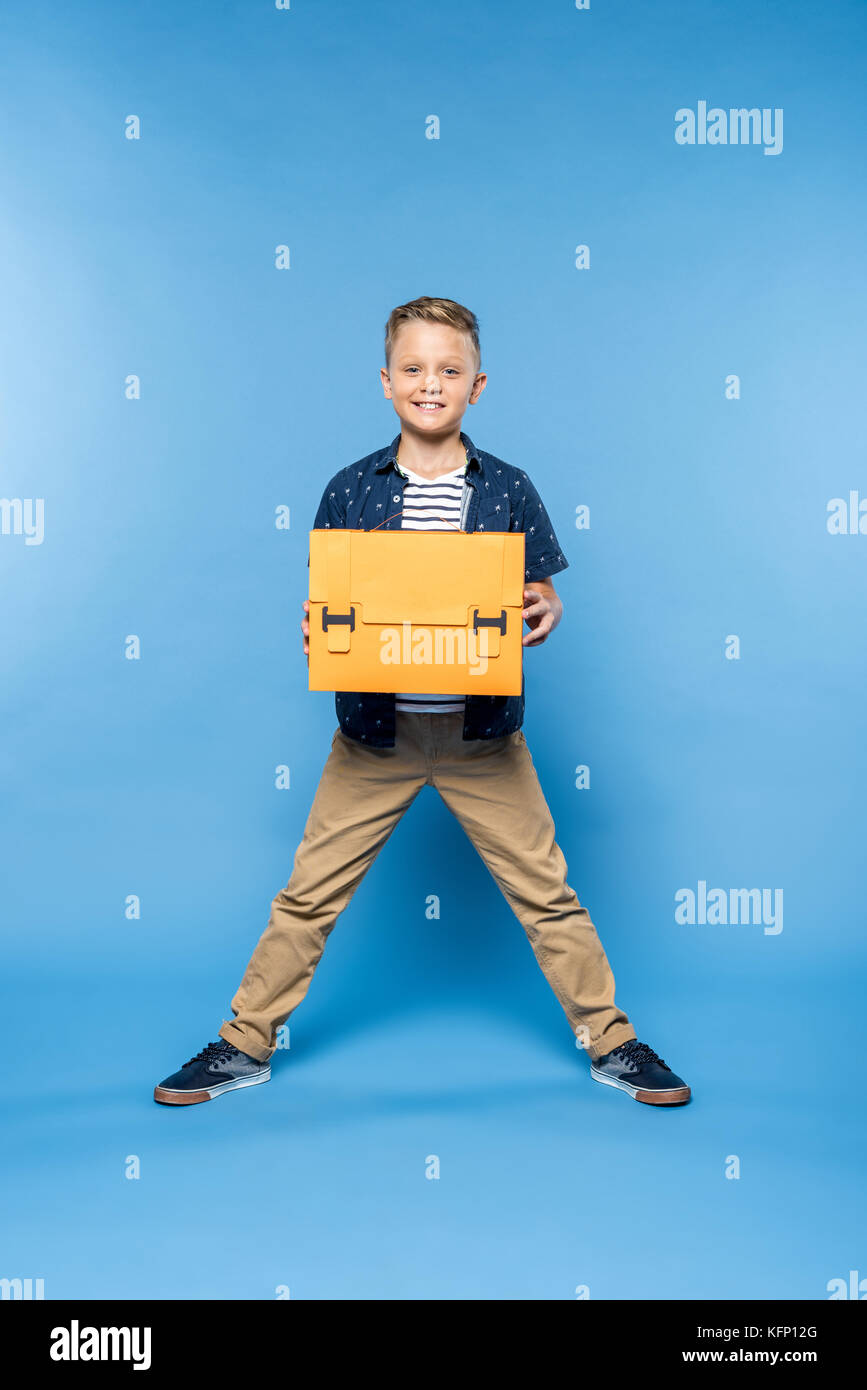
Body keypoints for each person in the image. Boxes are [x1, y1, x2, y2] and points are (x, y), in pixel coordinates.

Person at [154, 296, 691, 1108]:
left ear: (478, 386)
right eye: (412, 369)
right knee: (307, 895)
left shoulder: (508, 488)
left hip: (483, 738)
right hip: (375, 734)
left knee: (547, 894)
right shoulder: (348, 489)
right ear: (384, 382)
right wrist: (318, 631)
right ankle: (245, 1041)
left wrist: (546, 610)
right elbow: (330, 605)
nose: (429, 384)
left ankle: (610, 1039)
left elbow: (537, 595)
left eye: (449, 370)